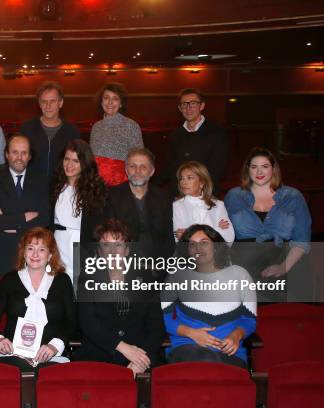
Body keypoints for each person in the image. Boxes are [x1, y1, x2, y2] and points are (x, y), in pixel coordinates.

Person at [74, 219, 165, 376]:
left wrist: (140, 359)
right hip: (101, 352)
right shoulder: (87, 278)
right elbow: (88, 323)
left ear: (127, 250)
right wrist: (123, 348)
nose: (113, 251)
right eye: (106, 245)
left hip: (141, 354)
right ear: (99, 251)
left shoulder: (146, 278)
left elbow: (157, 328)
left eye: (118, 245)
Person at [161, 225, 257, 368]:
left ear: (216, 246)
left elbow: (250, 319)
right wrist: (192, 333)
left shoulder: (240, 275)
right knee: (210, 364)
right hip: (186, 346)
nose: (198, 248)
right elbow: (163, 319)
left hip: (230, 351)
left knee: (226, 369)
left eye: (204, 242)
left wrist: (236, 336)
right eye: (192, 245)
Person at [0, 227, 76, 371]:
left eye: (42, 250)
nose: (35, 254)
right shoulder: (9, 280)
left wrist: (55, 345)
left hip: (51, 355)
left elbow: (72, 321)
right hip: (12, 354)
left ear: (50, 255)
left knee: (45, 374)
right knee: (22, 370)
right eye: (30, 248)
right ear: (24, 252)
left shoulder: (62, 281)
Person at [224, 147, 311, 299]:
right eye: (254, 167)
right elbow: (223, 234)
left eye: (265, 166)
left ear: (274, 169)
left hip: (285, 261)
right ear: (247, 170)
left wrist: (284, 267)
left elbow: (302, 240)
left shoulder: (293, 196)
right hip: (244, 265)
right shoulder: (234, 196)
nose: (259, 172)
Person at [106, 148, 175, 280]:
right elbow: (109, 239)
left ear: (152, 171)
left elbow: (168, 238)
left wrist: (160, 266)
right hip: (123, 271)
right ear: (126, 170)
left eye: (143, 167)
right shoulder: (111, 197)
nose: (137, 171)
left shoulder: (163, 197)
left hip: (157, 271)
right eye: (133, 166)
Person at [0, 134, 51, 277]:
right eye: (15, 152)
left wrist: (10, 223)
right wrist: (25, 217)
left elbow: (45, 218)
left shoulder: (41, 180)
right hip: (6, 253)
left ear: (29, 156)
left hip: (34, 254)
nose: (19, 157)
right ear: (7, 155)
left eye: (24, 153)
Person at [51, 139, 107, 284]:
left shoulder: (95, 190)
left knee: (79, 289)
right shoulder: (55, 185)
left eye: (75, 161)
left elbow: (98, 227)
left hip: (81, 245)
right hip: (57, 243)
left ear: (85, 163)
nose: (69, 165)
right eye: (67, 159)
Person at [159, 88, 227, 197]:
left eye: (193, 103)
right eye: (184, 104)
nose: (188, 108)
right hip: (179, 195)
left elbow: (219, 169)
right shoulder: (175, 134)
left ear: (202, 106)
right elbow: (169, 166)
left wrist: (201, 193)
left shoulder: (217, 132)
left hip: (206, 195)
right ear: (180, 109)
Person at [20, 81, 80, 180]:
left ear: (60, 103)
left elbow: (78, 163)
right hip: (32, 187)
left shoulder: (72, 131)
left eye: (52, 101)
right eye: (44, 101)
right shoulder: (26, 129)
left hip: (61, 187)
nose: (48, 106)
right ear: (40, 104)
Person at [89, 83, 143, 186]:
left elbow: (139, 158)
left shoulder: (131, 125)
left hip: (122, 185)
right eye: (106, 98)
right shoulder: (96, 127)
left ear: (121, 103)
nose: (110, 102)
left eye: (115, 99)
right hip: (97, 185)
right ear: (101, 102)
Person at [173, 161, 234, 243]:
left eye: (189, 178)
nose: (183, 182)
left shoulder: (218, 205)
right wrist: (216, 229)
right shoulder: (177, 206)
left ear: (202, 182)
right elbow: (180, 241)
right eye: (181, 178)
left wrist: (189, 233)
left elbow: (229, 238)